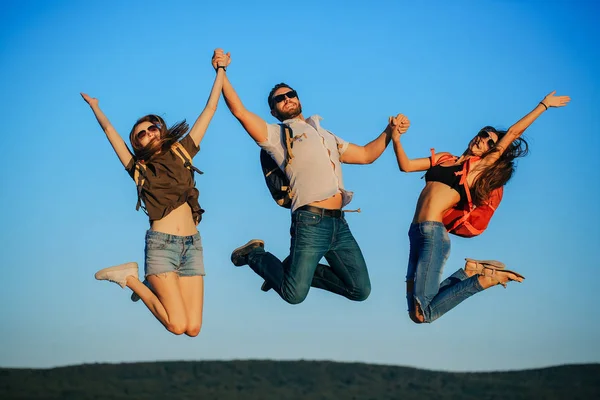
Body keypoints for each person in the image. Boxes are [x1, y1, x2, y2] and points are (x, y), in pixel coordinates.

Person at [213, 49, 410, 305]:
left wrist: (390, 130)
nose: (286, 99)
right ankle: (255, 255)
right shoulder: (276, 136)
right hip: (310, 222)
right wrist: (222, 71)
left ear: (299, 99)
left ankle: (290, 270)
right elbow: (239, 111)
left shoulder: (326, 135)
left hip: (340, 226)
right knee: (294, 295)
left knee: (360, 290)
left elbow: (365, 155)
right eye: (279, 99)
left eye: (290, 94)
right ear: (273, 111)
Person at [79, 51, 229, 336]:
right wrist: (96, 107)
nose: (149, 132)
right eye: (141, 134)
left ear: (160, 130)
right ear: (137, 144)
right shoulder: (140, 170)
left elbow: (209, 110)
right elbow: (110, 131)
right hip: (162, 246)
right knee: (176, 325)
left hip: (192, 245)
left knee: (194, 328)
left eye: (152, 128)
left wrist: (220, 70)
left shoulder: (181, 152)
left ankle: (149, 284)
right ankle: (131, 279)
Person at [391, 91, 570, 324]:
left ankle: (484, 279)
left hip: (434, 235)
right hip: (415, 232)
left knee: (422, 314)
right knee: (415, 312)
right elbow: (405, 166)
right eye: (483, 135)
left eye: (490, 142)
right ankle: (470, 271)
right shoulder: (445, 158)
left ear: (491, 151)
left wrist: (543, 105)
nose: (483, 140)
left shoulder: (476, 170)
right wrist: (395, 139)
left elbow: (514, 133)